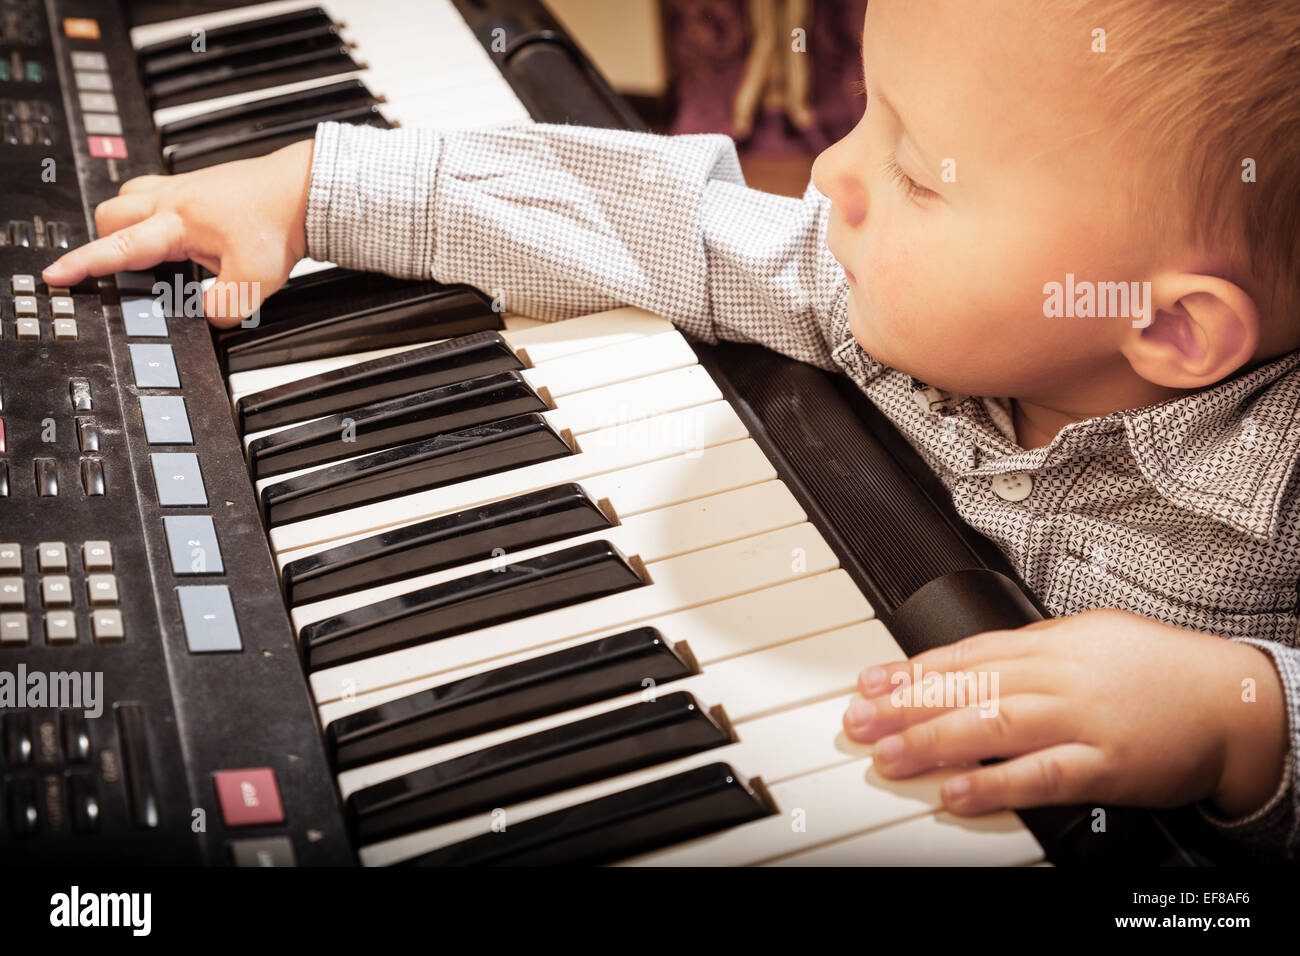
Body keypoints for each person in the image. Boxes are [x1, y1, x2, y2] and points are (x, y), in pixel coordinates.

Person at [42, 0, 1300, 858]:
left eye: (919, 173)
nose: (827, 177)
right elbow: (650, 215)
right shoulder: (861, 278)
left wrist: (1245, 714)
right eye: (870, 113)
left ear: (1171, 329)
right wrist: (318, 188)